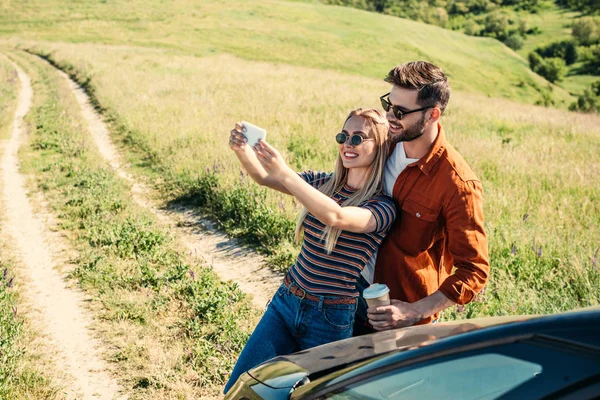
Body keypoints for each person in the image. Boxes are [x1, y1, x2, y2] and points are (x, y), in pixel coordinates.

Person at [223, 108, 396, 393]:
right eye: (343, 136)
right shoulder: (323, 183)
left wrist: (286, 173)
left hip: (330, 319)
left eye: (357, 138)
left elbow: (337, 216)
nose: (347, 144)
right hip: (286, 302)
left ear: (379, 146)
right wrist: (241, 150)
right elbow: (264, 178)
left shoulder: (383, 207)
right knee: (242, 389)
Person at [357, 61, 490, 333]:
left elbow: (474, 271)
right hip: (348, 290)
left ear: (432, 115)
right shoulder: (382, 144)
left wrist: (415, 310)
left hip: (396, 316)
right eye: (388, 105)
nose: (389, 117)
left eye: (401, 111)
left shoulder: (458, 184)